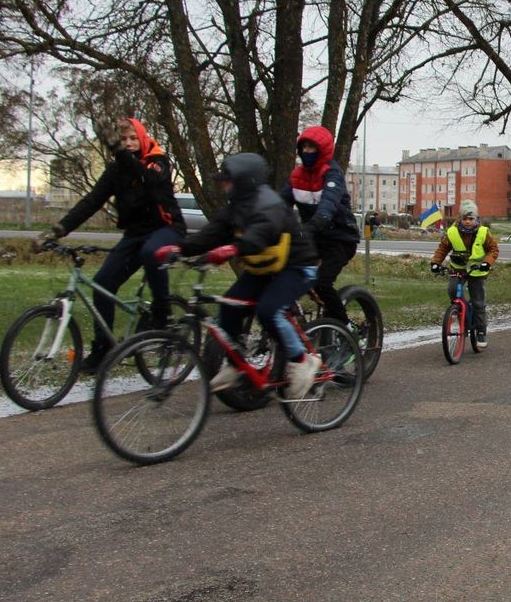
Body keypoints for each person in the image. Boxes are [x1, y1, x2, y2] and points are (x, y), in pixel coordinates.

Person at [155, 153, 321, 399]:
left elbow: (263, 232)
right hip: (264, 269)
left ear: (245, 180)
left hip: (295, 267)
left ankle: (302, 360)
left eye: (227, 180)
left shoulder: (270, 204)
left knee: (269, 311)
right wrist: (181, 249)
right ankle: (235, 364)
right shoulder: (235, 208)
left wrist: (234, 248)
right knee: (229, 307)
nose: (223, 185)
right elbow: (212, 234)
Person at [36, 117, 186, 372]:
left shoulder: (158, 161)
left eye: (132, 139)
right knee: (102, 283)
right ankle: (103, 349)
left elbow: (148, 180)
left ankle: (161, 314)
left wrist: (119, 153)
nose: (127, 144)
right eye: (122, 139)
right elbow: (92, 201)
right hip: (134, 234)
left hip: (166, 229)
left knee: (152, 253)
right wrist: (60, 230)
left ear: (143, 138)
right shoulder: (116, 170)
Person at [281, 126, 361, 323]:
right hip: (313, 238)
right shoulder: (296, 176)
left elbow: (328, 205)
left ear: (322, 150)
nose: (307, 151)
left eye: (312, 147)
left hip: (340, 239)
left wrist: (312, 225)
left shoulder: (332, 174)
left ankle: (346, 328)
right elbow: (279, 204)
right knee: (280, 274)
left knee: (322, 284)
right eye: (304, 147)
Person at [431, 200, 499, 347]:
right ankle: (461, 311)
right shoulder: (452, 232)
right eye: (464, 218)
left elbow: (493, 249)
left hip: (477, 270)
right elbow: (442, 249)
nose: (468, 222)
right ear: (459, 218)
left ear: (476, 219)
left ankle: (481, 331)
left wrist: (487, 262)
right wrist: (436, 263)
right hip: (458, 268)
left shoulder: (483, 232)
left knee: (478, 302)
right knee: (453, 290)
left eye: (471, 219)